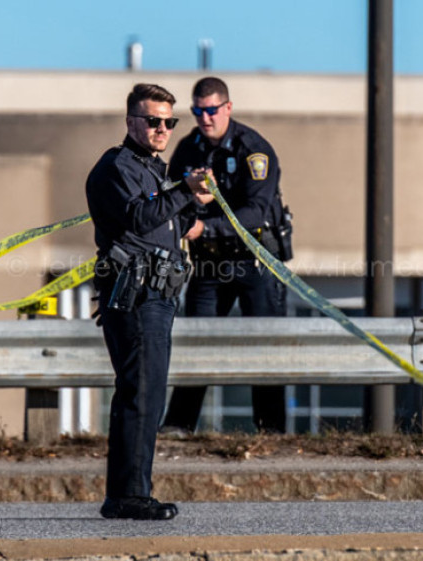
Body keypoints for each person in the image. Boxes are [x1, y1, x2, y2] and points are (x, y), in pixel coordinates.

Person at [86, 83, 214, 520]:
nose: (162, 129)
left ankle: (131, 491)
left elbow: (170, 223)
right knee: (141, 394)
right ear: (131, 122)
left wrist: (194, 204)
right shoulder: (117, 167)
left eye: (168, 122)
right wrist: (182, 192)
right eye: (153, 121)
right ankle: (128, 495)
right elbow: (141, 218)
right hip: (137, 295)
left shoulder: (154, 170)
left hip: (159, 294)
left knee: (148, 394)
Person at [162, 77, 290, 434]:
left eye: (212, 110)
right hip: (208, 264)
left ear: (227, 108)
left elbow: (257, 212)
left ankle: (271, 430)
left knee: (264, 348)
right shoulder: (188, 150)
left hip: (254, 260)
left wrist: (208, 225)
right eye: (198, 111)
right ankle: (179, 426)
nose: (205, 118)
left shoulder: (254, 150)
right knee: (198, 343)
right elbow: (171, 199)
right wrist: (191, 203)